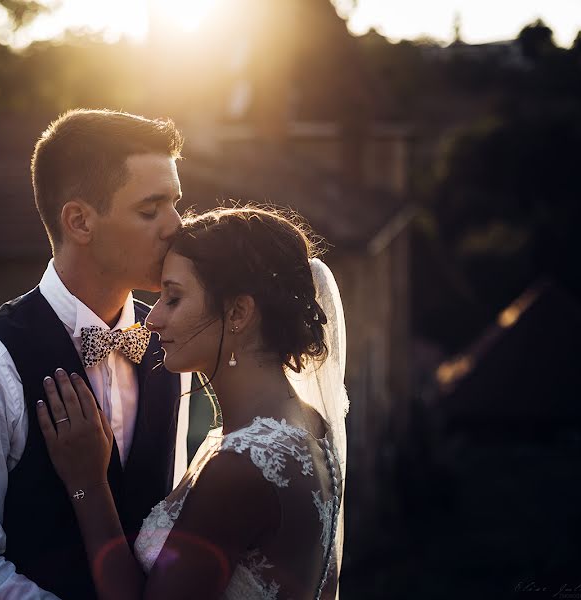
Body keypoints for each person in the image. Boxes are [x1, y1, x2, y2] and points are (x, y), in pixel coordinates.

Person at [0, 109, 192, 600]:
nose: (177, 226)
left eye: (176, 203)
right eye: (151, 210)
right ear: (80, 221)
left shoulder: (170, 345)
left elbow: (162, 528)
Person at [37, 206, 349, 600]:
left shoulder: (239, 468)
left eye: (174, 298)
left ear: (237, 312)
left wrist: (88, 486)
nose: (151, 320)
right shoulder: (308, 422)